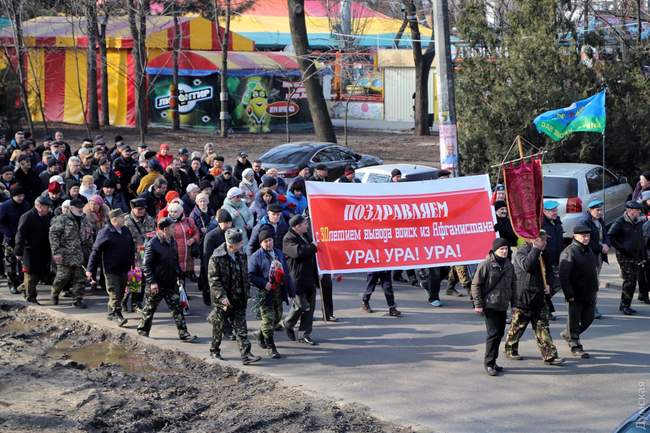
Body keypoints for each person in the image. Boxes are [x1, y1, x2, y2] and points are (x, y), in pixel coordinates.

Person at [504, 231, 564, 365]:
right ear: (533, 240)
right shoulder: (521, 252)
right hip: (524, 297)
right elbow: (527, 266)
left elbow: (549, 271)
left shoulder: (544, 253)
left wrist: (549, 284)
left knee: (542, 327)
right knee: (518, 326)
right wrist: (535, 249)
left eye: (545, 240)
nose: (545, 243)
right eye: (542, 240)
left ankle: (550, 355)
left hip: (539, 297)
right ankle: (510, 349)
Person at [137, 217, 197, 342]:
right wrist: (152, 282)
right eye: (172, 227)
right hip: (156, 284)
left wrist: (179, 276)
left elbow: (175, 261)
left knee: (177, 309)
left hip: (170, 282)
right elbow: (146, 265)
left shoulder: (172, 241)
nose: (174, 229)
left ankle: (184, 333)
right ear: (165, 229)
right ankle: (143, 330)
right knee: (150, 308)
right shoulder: (153, 243)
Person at [207, 228, 261, 365]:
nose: (241, 245)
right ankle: (214, 351)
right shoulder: (216, 258)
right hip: (223, 301)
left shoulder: (241, 255)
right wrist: (222, 297)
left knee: (241, 327)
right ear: (231, 245)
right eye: (239, 243)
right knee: (218, 327)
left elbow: (244, 275)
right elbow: (214, 280)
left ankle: (246, 354)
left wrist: (246, 292)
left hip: (238, 298)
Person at [471, 238, 516, 376]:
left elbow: (513, 285)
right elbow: (476, 285)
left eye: (506, 249)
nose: (504, 251)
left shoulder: (509, 265)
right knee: (493, 334)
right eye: (501, 249)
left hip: (502, 305)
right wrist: (478, 304)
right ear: (495, 250)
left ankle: (494, 361)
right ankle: (489, 363)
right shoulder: (486, 265)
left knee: (499, 334)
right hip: (489, 305)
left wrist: (514, 305)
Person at [248, 229, 294, 359]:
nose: (269, 243)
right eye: (265, 241)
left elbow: (286, 273)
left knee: (277, 317)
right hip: (265, 293)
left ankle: (260, 334)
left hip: (279, 292)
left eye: (270, 240)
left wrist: (291, 291)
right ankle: (271, 347)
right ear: (261, 243)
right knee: (268, 320)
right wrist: (264, 283)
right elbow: (250, 275)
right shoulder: (256, 257)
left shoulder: (279, 253)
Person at [87, 209, 135, 326]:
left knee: (121, 293)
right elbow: (95, 251)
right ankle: (117, 315)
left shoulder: (125, 230)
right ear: (114, 220)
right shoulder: (105, 232)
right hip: (111, 269)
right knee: (115, 291)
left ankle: (111, 312)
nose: (124, 219)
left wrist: (133, 263)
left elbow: (131, 247)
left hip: (125, 267)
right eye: (121, 218)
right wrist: (90, 269)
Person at [558, 224, 599, 359]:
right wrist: (569, 294)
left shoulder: (588, 250)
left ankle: (568, 334)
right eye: (583, 236)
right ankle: (575, 345)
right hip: (576, 294)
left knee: (589, 318)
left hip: (590, 292)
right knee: (574, 321)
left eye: (588, 235)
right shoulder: (569, 252)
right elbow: (564, 276)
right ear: (575, 236)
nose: (586, 238)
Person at [49, 198, 94, 308]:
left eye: (81, 207)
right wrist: (56, 252)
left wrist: (91, 250)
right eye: (78, 208)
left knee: (80, 279)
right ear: (71, 208)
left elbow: (89, 235)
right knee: (62, 278)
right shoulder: (61, 219)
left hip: (81, 254)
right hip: (65, 255)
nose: (80, 210)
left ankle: (77, 300)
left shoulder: (85, 219)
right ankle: (55, 293)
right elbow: (53, 235)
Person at [282, 215, 319, 345]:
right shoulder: (288, 239)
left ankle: (304, 334)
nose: (307, 226)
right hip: (296, 280)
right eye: (304, 224)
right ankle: (288, 322)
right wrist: (313, 247)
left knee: (310, 309)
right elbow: (298, 252)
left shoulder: (306, 235)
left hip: (310, 278)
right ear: (297, 226)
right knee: (301, 306)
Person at [608, 201, 646, 315]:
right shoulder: (620, 222)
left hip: (636, 255)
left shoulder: (639, 222)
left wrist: (642, 255)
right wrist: (622, 248)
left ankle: (625, 304)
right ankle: (625, 305)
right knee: (629, 280)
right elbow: (611, 236)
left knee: (633, 281)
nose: (639, 212)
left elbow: (641, 239)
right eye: (637, 210)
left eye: (639, 210)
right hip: (624, 256)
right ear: (630, 211)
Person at [15, 195, 52, 304]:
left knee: (40, 274)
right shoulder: (27, 216)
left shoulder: (46, 216)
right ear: (39, 206)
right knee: (31, 275)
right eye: (46, 207)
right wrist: (18, 251)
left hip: (43, 250)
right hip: (30, 251)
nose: (48, 209)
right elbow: (20, 235)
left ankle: (24, 287)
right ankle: (31, 298)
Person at [123, 198, 156, 312]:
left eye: (143, 209)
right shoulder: (126, 221)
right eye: (139, 209)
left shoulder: (149, 219)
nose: (142, 211)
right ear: (132, 209)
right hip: (130, 254)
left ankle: (136, 303)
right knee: (132, 281)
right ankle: (123, 301)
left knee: (141, 280)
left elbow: (153, 234)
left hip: (144, 253)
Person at [579, 199, 610, 318]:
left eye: (601, 209)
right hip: (589, 256)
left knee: (594, 283)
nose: (600, 212)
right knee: (590, 283)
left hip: (598, 257)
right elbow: (585, 241)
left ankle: (591, 307)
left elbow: (606, 235)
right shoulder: (584, 222)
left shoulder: (600, 221)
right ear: (590, 210)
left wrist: (607, 244)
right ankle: (588, 309)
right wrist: (600, 247)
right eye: (597, 210)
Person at [0, 185, 30, 293]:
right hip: (10, 238)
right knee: (10, 262)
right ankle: (12, 283)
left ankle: (22, 283)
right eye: (18, 196)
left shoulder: (26, 205)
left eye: (22, 195)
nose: (21, 198)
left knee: (23, 262)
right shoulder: (5, 206)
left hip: (23, 238)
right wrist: (8, 232)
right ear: (13, 196)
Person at [541, 200, 564, 321]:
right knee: (547, 285)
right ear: (544, 211)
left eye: (555, 210)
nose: (554, 213)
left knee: (557, 283)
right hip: (544, 261)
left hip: (556, 260)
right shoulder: (541, 224)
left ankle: (543, 306)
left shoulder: (557, 222)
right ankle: (545, 310)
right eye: (551, 211)